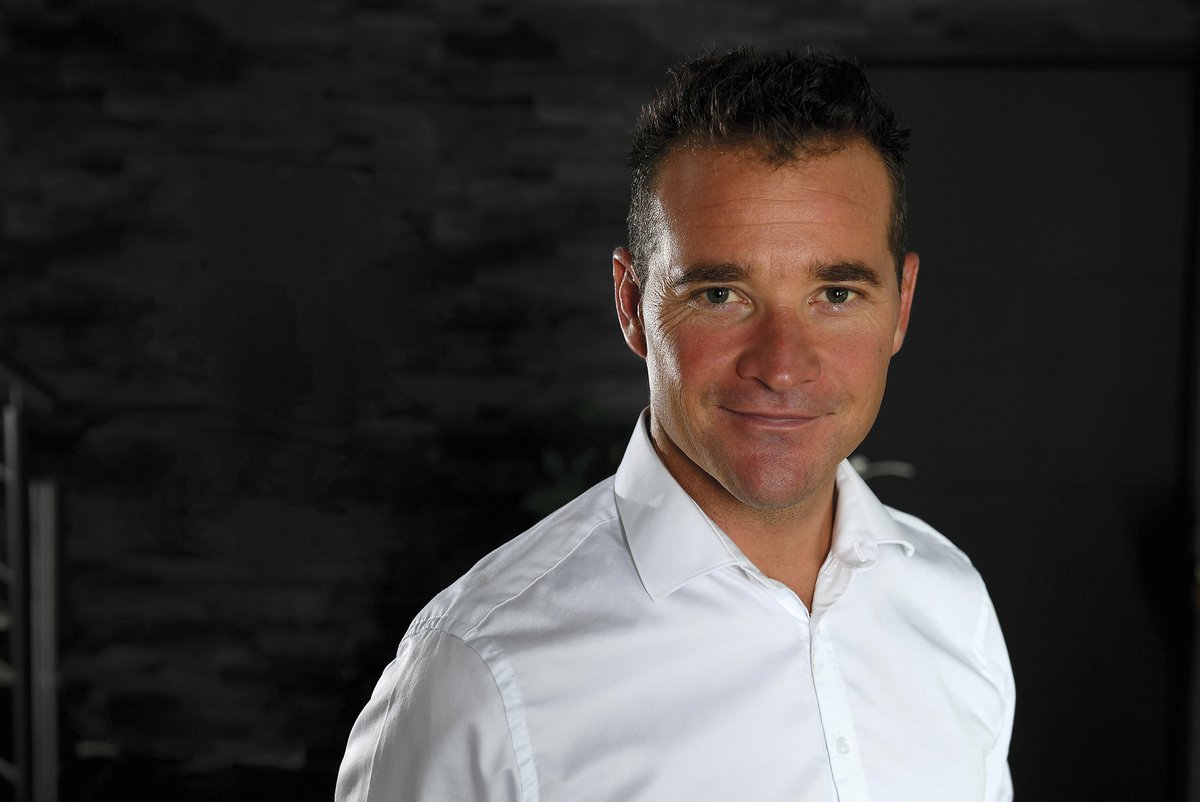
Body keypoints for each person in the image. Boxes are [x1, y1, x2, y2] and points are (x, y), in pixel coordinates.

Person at [336, 47, 1015, 802]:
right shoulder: (481, 675)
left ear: (902, 305)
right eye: (721, 295)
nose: (783, 366)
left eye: (836, 294)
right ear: (632, 303)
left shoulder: (951, 605)